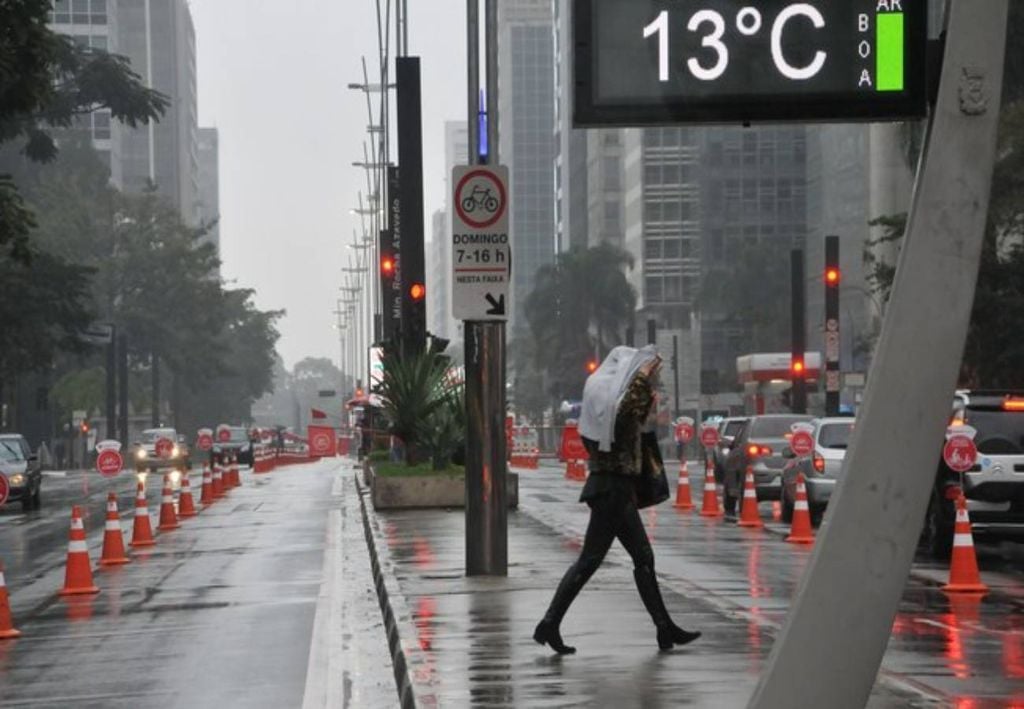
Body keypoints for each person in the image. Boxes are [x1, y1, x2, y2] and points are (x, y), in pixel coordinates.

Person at [534, 345, 701, 654]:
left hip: (609, 488)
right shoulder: (620, 411)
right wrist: (642, 380)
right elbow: (630, 416)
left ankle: (665, 629)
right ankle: (549, 623)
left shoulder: (598, 416)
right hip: (614, 491)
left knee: (639, 558)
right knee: (598, 559)